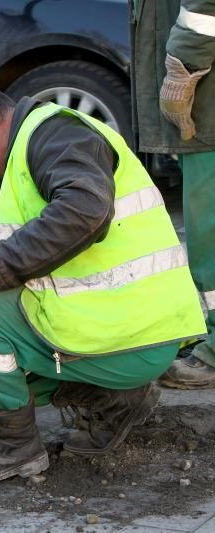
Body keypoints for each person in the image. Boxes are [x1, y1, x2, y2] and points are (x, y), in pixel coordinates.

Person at [0, 78, 206, 485]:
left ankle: (11, 449)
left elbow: (84, 211)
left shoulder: (54, 135)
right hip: (132, 330)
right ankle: (114, 401)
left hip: (127, 335)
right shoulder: (44, 137)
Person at [133, 0, 215, 388]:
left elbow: (202, 9)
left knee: (210, 230)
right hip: (205, 101)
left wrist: (183, 66)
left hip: (209, 102)